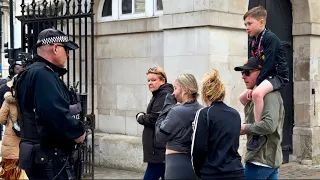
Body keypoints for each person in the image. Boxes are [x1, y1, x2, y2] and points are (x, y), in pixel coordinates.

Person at [15, 28, 86, 180]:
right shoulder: (42, 74)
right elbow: (54, 113)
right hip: (50, 157)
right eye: (66, 49)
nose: (67, 54)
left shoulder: (30, 72)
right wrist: (79, 131)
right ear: (55, 48)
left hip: (40, 155)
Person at [239, 5, 289, 150]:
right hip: (266, 75)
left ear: (261, 22)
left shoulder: (270, 39)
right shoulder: (254, 40)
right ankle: (254, 118)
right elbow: (254, 63)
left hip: (277, 75)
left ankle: (258, 132)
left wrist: (256, 85)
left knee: (257, 93)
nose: (247, 27)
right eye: (245, 24)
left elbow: (267, 64)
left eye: (249, 24)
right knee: (243, 97)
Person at [234, 57, 285, 179]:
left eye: (247, 73)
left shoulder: (269, 96)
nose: (243, 77)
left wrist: (246, 128)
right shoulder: (257, 94)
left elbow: (269, 125)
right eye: (242, 73)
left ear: (261, 73)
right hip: (265, 160)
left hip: (260, 160)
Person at [191, 69, 244, 180]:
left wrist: (200, 172)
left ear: (205, 94)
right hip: (236, 172)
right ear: (222, 93)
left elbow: (197, 149)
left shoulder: (204, 113)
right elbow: (234, 145)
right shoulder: (235, 114)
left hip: (212, 173)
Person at [155, 73, 203, 179]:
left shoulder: (176, 112)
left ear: (185, 90)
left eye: (175, 88)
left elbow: (159, 136)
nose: (173, 93)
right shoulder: (202, 110)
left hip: (177, 165)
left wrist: (167, 107)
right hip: (196, 165)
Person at [135, 67, 173, 180]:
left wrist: (140, 117)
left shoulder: (163, 95)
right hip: (157, 148)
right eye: (148, 80)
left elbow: (154, 119)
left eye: (153, 80)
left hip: (158, 149)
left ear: (163, 80)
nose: (150, 83)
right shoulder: (159, 94)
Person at [0, 79, 28, 179]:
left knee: (10, 172)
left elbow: (2, 119)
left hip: (10, 140)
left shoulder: (8, 101)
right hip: (28, 140)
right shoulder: (29, 100)